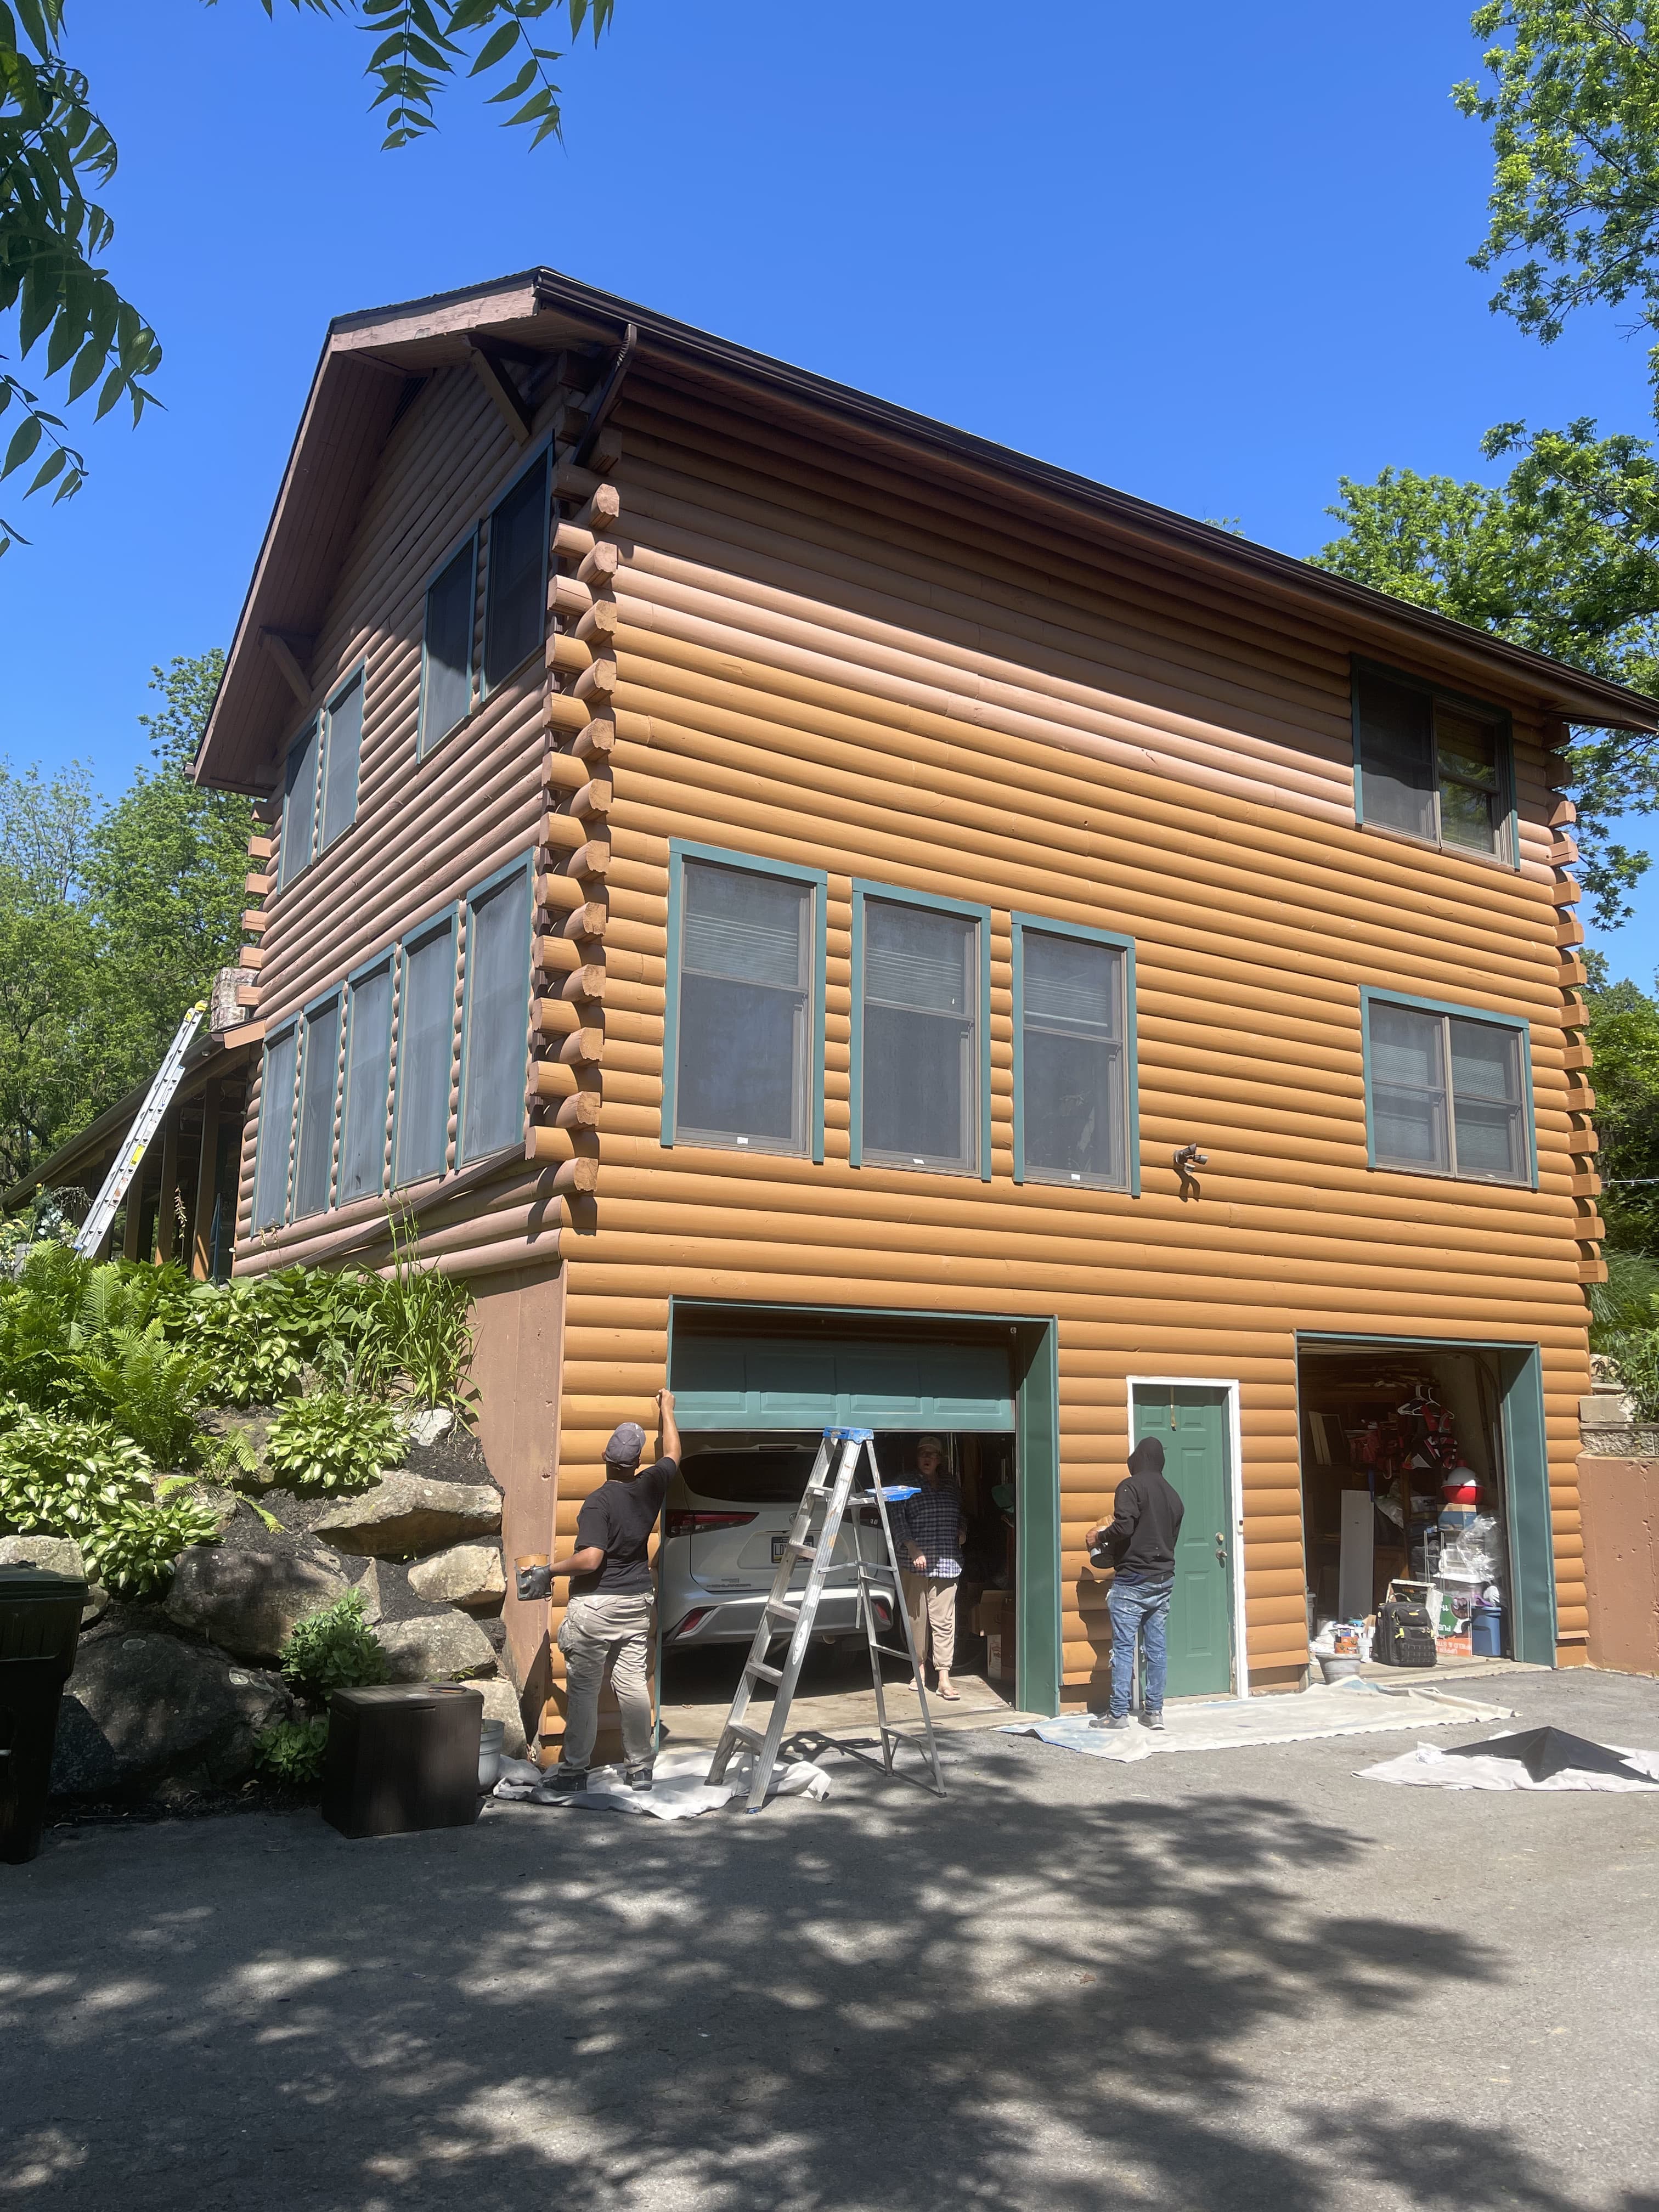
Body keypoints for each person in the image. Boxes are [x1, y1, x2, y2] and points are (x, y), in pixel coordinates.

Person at [516, 1388, 680, 1793]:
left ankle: (574, 1772)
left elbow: (591, 1559)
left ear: (605, 1458)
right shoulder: (652, 1485)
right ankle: (640, 1769)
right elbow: (674, 1453)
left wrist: (548, 1570)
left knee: (585, 1691)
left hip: (596, 1606)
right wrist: (667, 1409)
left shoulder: (598, 1503)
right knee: (633, 1686)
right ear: (637, 1463)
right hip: (637, 1602)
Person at [1085, 1435, 1184, 1731]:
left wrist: (1099, 1536)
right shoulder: (1174, 1496)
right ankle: (1154, 1712)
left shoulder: (1130, 1487)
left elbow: (1125, 1526)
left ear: (1138, 1459)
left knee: (1123, 1648)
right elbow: (1168, 1539)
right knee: (1156, 1647)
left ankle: (1117, 1714)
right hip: (1163, 1580)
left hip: (1132, 1581)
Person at [893, 1435, 968, 1701]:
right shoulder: (905, 1482)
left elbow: (961, 1513)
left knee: (945, 1621)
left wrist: (962, 1531)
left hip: (947, 1560)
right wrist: (912, 1547)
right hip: (915, 1562)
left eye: (932, 1454)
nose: (927, 1458)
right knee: (917, 1619)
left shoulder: (950, 1484)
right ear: (917, 1457)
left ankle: (944, 1677)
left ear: (940, 1459)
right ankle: (919, 1670)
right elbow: (896, 1518)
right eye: (923, 1453)